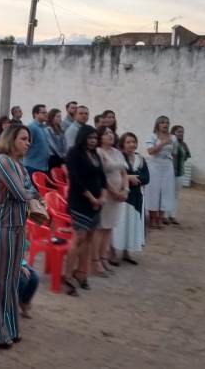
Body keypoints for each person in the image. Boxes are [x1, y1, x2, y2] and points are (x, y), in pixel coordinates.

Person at [0, 124, 39, 348]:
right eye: (23, 139)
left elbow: (32, 191)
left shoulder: (19, 165)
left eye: (29, 139)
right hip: (4, 226)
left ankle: (10, 327)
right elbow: (22, 193)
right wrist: (35, 196)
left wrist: (34, 196)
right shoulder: (2, 161)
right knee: (3, 280)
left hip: (18, 225)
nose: (28, 143)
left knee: (13, 279)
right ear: (11, 139)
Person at [62, 125, 106, 296]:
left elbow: (102, 177)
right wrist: (91, 197)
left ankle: (82, 273)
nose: (93, 141)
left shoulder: (95, 154)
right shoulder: (74, 153)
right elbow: (75, 178)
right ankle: (68, 276)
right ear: (83, 137)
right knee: (78, 237)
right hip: (80, 202)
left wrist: (102, 196)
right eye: (90, 138)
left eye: (95, 138)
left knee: (89, 238)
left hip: (96, 203)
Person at [94, 126, 128, 275]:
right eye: (106, 133)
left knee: (109, 228)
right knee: (101, 228)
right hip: (106, 194)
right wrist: (114, 192)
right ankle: (96, 260)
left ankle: (104, 257)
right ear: (100, 137)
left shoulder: (117, 152)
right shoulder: (99, 152)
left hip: (118, 195)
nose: (110, 135)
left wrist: (125, 190)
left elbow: (124, 172)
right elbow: (101, 176)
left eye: (111, 132)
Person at [113, 132, 148, 265]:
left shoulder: (141, 159)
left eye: (133, 141)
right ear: (122, 144)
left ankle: (128, 252)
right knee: (121, 225)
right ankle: (117, 253)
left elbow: (146, 178)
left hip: (137, 196)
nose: (132, 144)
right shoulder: (119, 158)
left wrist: (134, 177)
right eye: (128, 142)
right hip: (124, 196)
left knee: (132, 224)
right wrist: (129, 178)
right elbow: (115, 176)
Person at [144, 116, 177, 229]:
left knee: (166, 191)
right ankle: (152, 218)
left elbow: (174, 152)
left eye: (167, 122)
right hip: (154, 165)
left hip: (167, 165)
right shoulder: (152, 136)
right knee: (154, 191)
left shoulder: (173, 137)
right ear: (157, 124)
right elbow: (150, 151)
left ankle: (160, 219)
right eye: (162, 122)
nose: (165, 124)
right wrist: (163, 143)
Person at [169, 125, 191, 225]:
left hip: (180, 173)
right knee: (168, 194)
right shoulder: (170, 143)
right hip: (169, 172)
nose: (181, 134)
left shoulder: (184, 145)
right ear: (173, 133)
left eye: (182, 132)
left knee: (176, 195)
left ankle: (172, 216)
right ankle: (165, 215)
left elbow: (186, 156)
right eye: (179, 132)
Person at [23, 104, 49, 175]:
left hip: (43, 167)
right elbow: (25, 146)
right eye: (43, 113)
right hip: (32, 167)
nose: (46, 114)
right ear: (36, 114)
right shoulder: (32, 128)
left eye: (46, 112)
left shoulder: (44, 128)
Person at [17, 238, 39, 319]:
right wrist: (20, 267)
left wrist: (23, 264)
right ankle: (13, 305)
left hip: (20, 263)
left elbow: (24, 256)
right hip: (9, 263)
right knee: (23, 279)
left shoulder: (22, 239)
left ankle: (24, 302)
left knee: (35, 277)